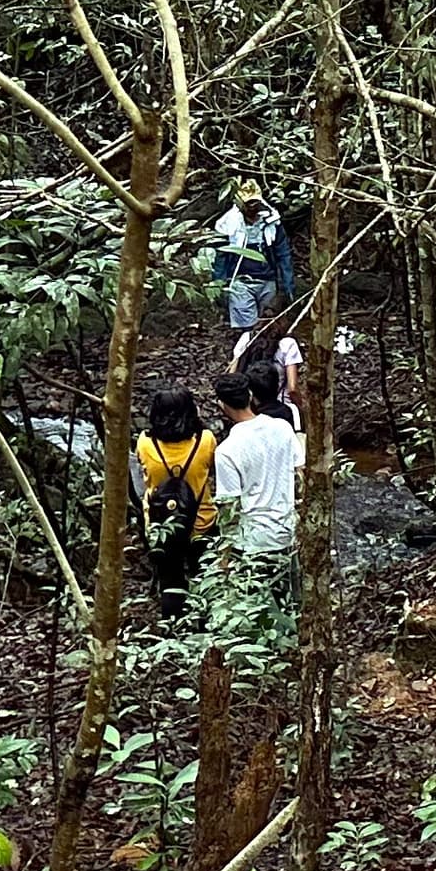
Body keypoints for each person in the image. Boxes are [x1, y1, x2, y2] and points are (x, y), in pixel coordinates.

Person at [207, 369, 302, 578]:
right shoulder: (283, 428)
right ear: (250, 396)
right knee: (289, 600)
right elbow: (300, 473)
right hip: (287, 531)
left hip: (253, 542)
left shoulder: (226, 451)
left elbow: (229, 507)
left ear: (222, 405)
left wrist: (225, 555)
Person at [134, 387, 217, 617]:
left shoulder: (145, 443)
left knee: (170, 581)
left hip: (162, 525)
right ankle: (205, 627)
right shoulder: (205, 441)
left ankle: (173, 629)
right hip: (201, 522)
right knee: (205, 577)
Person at [211, 183, 299, 335]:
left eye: (255, 202)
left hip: (267, 280)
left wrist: (288, 284)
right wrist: (218, 284)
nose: (252, 206)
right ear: (239, 203)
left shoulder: (271, 221)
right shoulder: (229, 224)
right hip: (240, 282)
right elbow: (221, 256)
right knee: (246, 329)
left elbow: (283, 253)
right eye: (248, 203)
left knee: (268, 324)